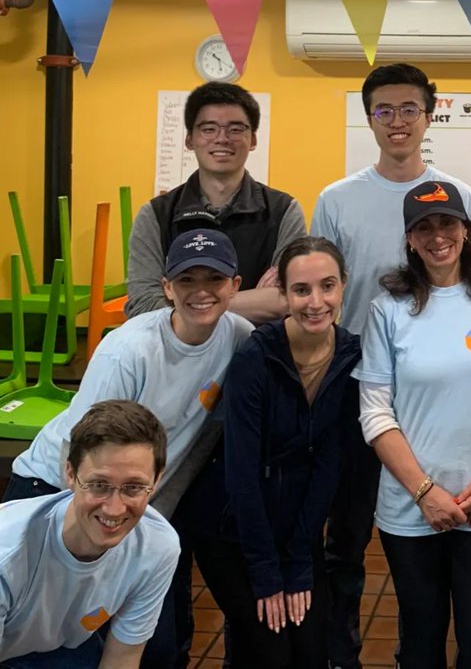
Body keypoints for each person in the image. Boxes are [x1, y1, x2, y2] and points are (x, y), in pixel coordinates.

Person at [6, 228, 254, 669]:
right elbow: (82, 450)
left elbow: (205, 434)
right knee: (56, 642)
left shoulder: (238, 336)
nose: (201, 292)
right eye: (187, 280)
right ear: (166, 288)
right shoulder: (128, 351)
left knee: (156, 644)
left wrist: (155, 510)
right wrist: (108, 521)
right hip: (60, 487)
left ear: (235, 285)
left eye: (214, 279)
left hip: (135, 500)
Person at [309, 62, 471, 668]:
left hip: (438, 386)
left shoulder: (457, 196)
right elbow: (321, 291)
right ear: (369, 119)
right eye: (384, 111)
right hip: (356, 381)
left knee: (430, 525)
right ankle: (341, 654)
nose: (397, 121)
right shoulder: (338, 199)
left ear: (429, 115)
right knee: (347, 534)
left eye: (409, 109)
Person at [355, 180, 471, 669]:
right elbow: (375, 413)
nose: (438, 236)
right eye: (425, 227)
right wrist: (424, 492)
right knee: (421, 641)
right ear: (410, 239)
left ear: (466, 230)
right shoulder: (387, 309)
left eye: (448, 223)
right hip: (411, 509)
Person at [192, 237, 361, 668]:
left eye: (327, 286)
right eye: (301, 290)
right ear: (283, 295)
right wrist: (268, 574)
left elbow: (329, 465)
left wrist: (300, 561)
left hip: (296, 529)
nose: (316, 302)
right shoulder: (256, 358)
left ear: (344, 285)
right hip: (232, 530)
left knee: (310, 651)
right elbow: (242, 474)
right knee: (271, 652)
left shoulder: (351, 357)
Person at [0, 400, 180, 669]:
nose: (114, 508)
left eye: (133, 487)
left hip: (34, 645)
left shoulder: (157, 547)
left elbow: (122, 660)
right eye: (98, 485)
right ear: (70, 474)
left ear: (157, 479)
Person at [126, 81, 307, 324]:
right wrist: (253, 300)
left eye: (236, 129)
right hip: (179, 348)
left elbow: (288, 299)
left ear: (253, 139)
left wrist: (189, 303)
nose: (222, 139)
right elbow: (143, 306)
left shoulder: (283, 211)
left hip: (259, 345)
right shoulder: (156, 215)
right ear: (190, 139)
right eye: (209, 129)